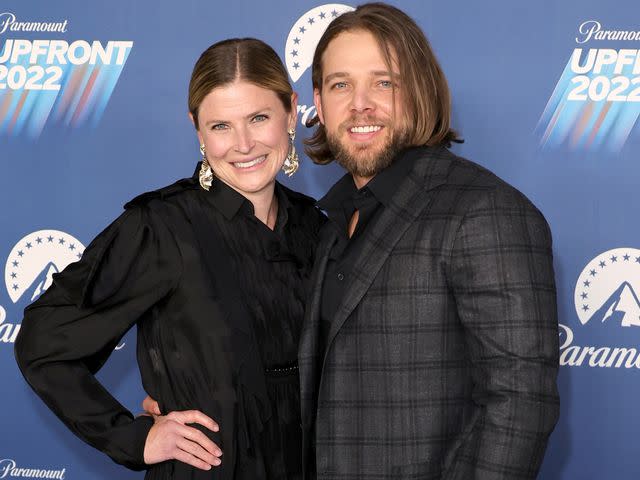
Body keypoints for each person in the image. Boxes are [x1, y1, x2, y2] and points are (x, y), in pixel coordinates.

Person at [15, 38, 324, 480]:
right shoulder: (160, 227)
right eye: (220, 126)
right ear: (197, 130)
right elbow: (44, 343)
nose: (243, 144)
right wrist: (135, 438)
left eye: (259, 118)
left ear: (291, 112)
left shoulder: (317, 227)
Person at [298, 3, 560, 479]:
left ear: (419, 92)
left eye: (384, 82)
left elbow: (520, 404)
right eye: (341, 85)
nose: (360, 104)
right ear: (318, 102)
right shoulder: (332, 220)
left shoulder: (483, 210)